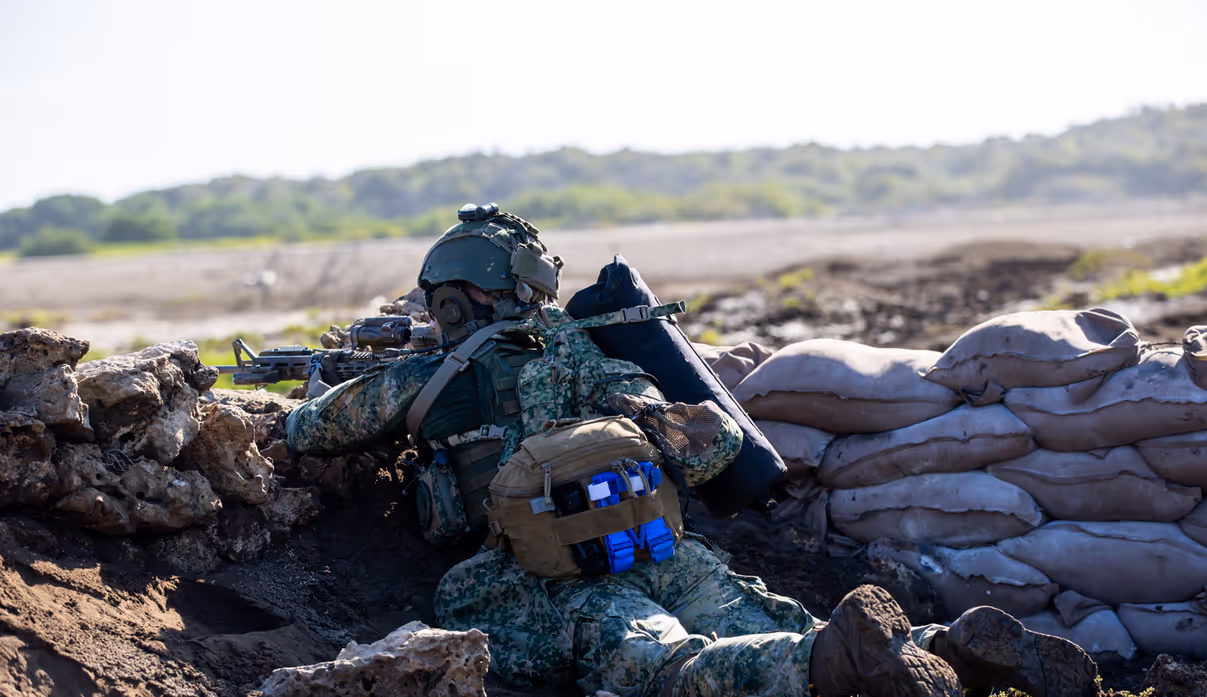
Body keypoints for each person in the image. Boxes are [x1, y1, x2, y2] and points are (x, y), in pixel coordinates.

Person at [285, 203, 1100, 697]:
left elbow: (309, 430)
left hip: (535, 575)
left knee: (660, 666)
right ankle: (946, 646)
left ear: (448, 300)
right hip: (660, 544)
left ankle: (829, 666)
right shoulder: (598, 359)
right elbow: (705, 451)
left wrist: (367, 383)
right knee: (766, 617)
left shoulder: (425, 379)